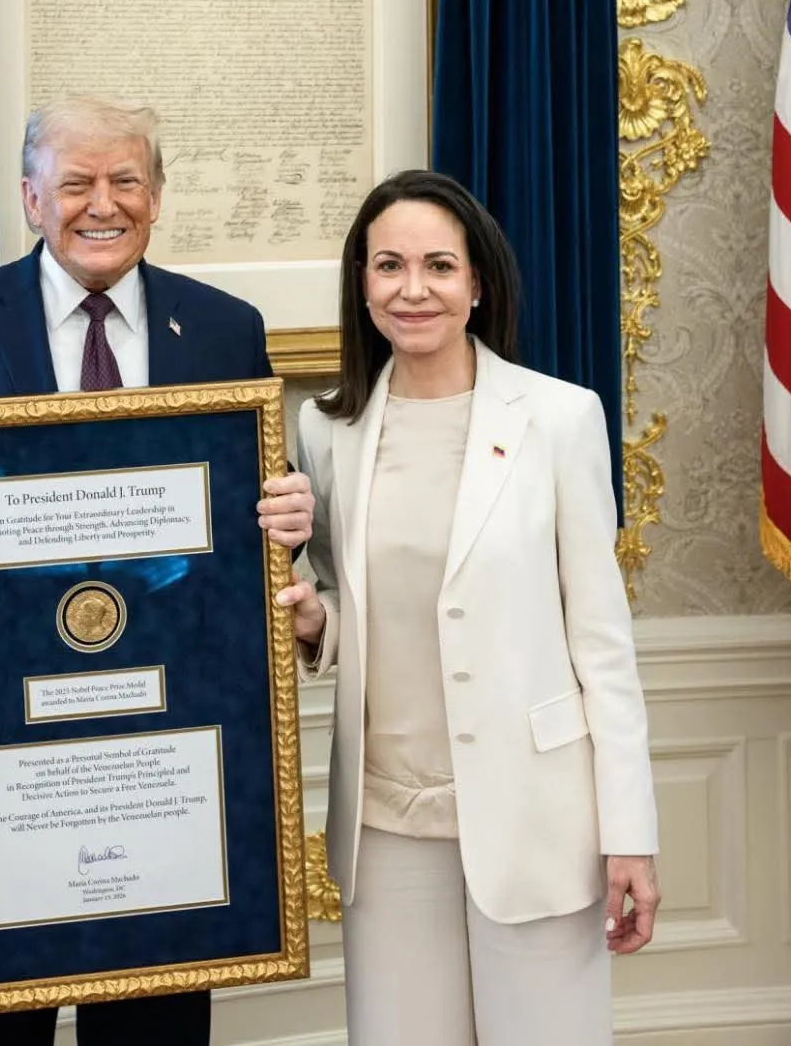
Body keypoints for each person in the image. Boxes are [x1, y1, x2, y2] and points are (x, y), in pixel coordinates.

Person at [0, 95, 314, 1046]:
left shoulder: (224, 327)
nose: (104, 204)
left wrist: (289, 519)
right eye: (77, 183)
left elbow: (248, 509)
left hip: (166, 753)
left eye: (126, 180)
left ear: (156, 196)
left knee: (154, 1029)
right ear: (31, 198)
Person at [276, 170, 658, 1046]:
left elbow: (603, 645)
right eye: (389, 266)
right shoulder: (326, 430)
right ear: (362, 282)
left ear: (477, 282)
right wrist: (314, 623)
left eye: (439, 266)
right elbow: (341, 596)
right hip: (385, 823)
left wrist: (630, 833)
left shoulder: (560, 418)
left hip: (537, 817)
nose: (412, 289)